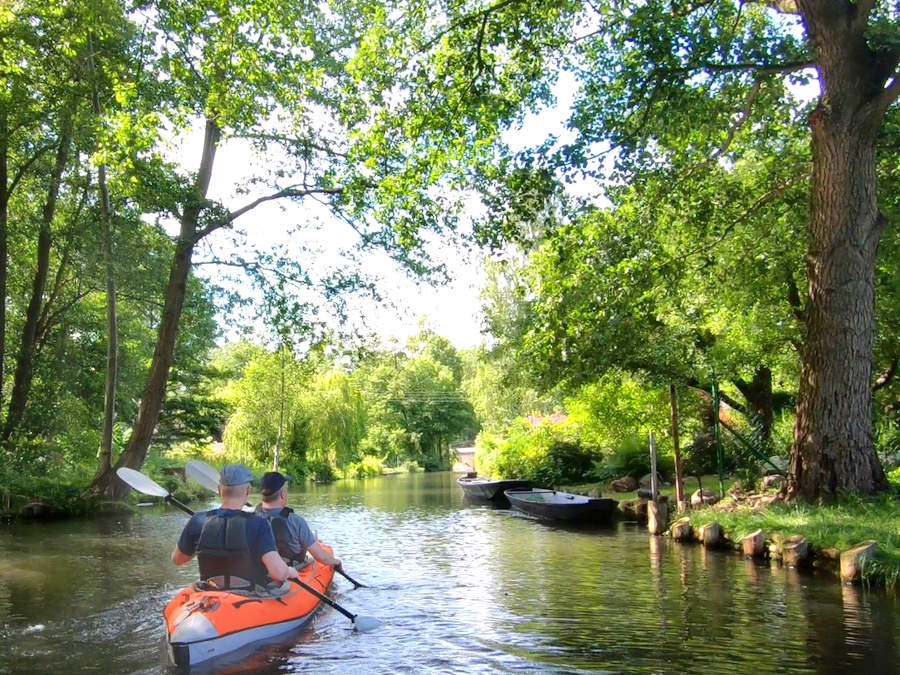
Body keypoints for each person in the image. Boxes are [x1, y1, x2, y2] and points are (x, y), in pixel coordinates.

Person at [171, 464, 301, 591]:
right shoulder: (258, 523)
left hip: (211, 593)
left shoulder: (198, 520)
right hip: (249, 596)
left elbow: (177, 560)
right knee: (284, 587)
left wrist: (203, 542)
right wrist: (289, 571)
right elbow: (278, 573)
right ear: (247, 490)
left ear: (219, 489)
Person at [255, 471, 343, 571]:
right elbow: (320, 556)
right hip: (291, 569)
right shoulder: (295, 521)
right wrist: (335, 561)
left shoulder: (251, 518)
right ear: (283, 494)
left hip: (261, 570)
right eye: (286, 490)